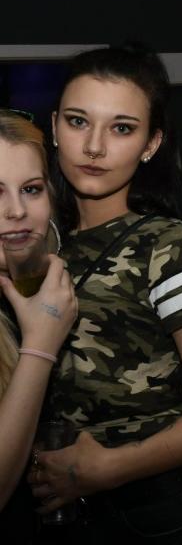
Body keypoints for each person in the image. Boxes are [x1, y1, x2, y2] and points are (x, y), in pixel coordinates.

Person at [30, 46, 182, 543]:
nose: (94, 146)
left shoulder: (166, 245)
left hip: (160, 513)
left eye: (122, 128)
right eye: (78, 121)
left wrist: (109, 468)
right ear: (54, 126)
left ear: (151, 144)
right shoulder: (39, 244)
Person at [0, 110, 76, 534]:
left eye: (31, 189)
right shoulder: (47, 313)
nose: (16, 211)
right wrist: (41, 345)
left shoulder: (51, 290)